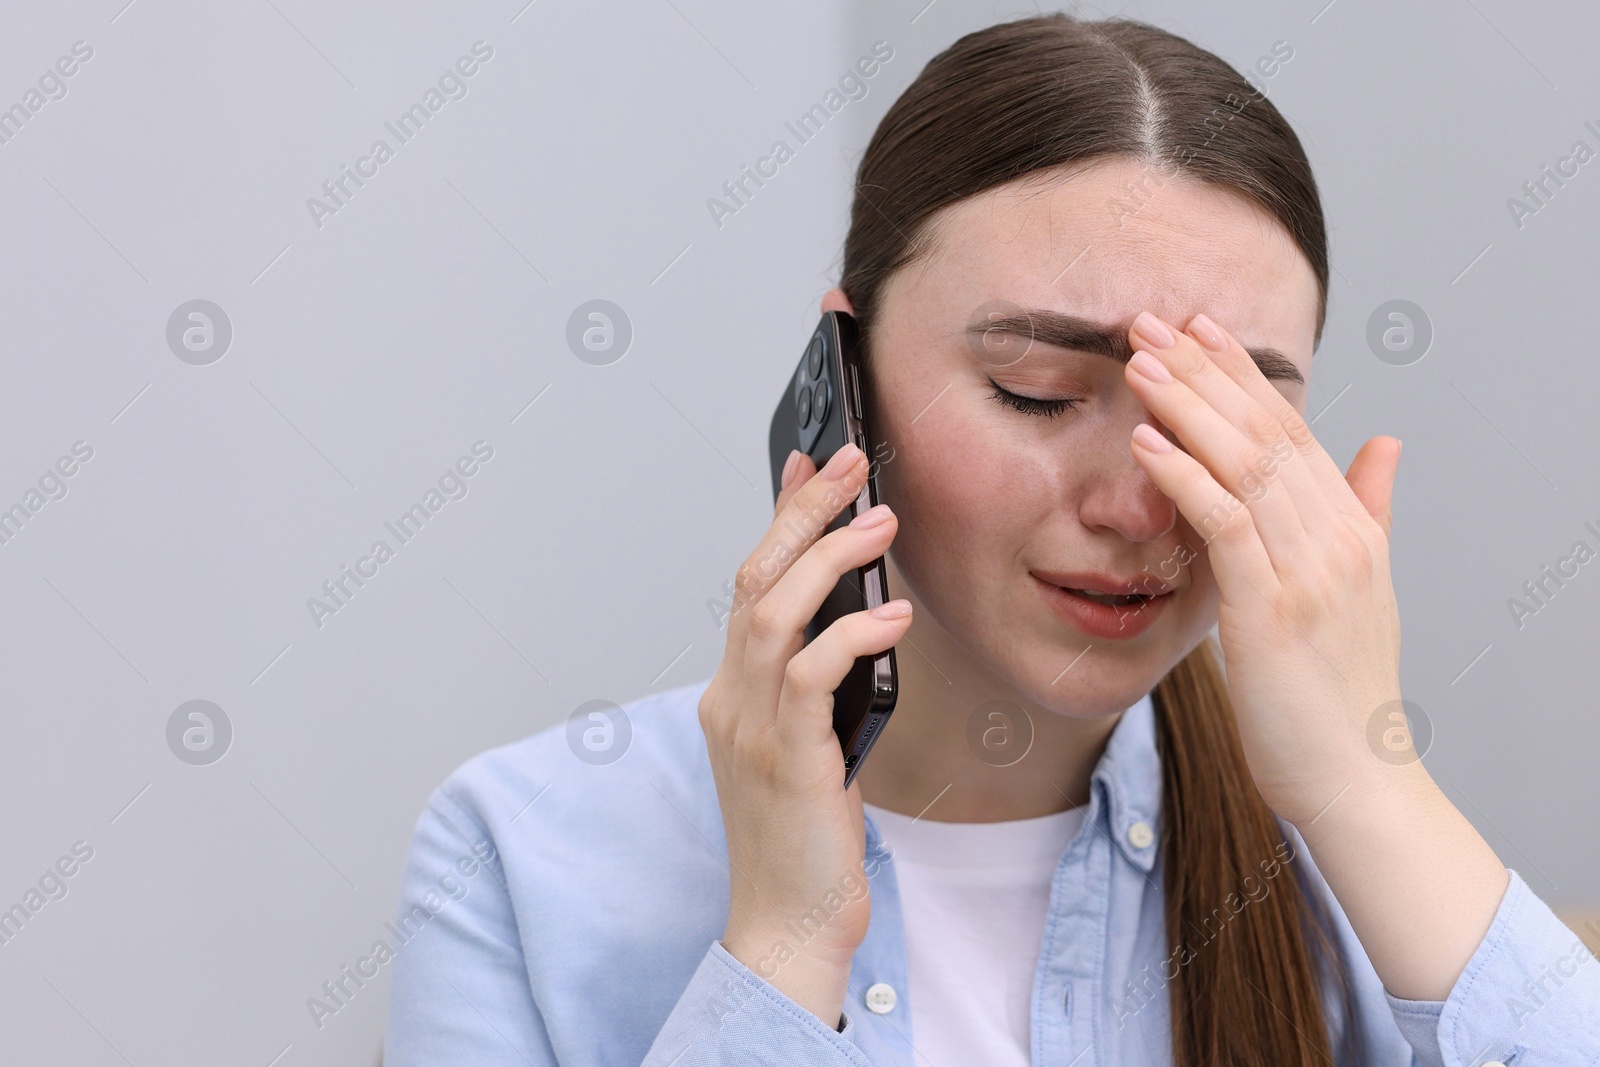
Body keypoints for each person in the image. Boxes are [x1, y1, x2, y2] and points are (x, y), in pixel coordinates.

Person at [382, 13, 1600, 1066]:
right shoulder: (523, 854)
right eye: (1035, 391)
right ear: (841, 376)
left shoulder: (1361, 871)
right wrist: (778, 944)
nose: (1135, 505)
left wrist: (1369, 787)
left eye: (1229, 419)